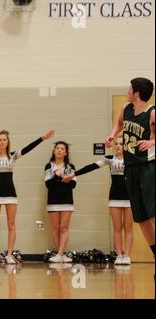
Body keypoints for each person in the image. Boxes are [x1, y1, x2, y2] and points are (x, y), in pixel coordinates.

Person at [0, 129, 55, 264]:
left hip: (11, 194)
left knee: (11, 224)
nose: (2, 142)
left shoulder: (13, 156)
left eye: (4, 139)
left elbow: (28, 148)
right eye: (0, 140)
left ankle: (10, 255)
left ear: (8, 141)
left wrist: (42, 138)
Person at [106, 77, 154, 265]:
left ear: (137, 93)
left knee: (152, 214)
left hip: (148, 167)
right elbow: (118, 124)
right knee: (141, 218)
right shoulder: (126, 109)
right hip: (130, 167)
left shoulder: (151, 113)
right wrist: (112, 135)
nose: (127, 91)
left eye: (130, 89)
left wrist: (152, 141)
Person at [63, 136, 133, 265]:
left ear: (126, 146)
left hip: (130, 198)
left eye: (121, 144)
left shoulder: (132, 159)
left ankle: (127, 255)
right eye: (116, 144)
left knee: (128, 228)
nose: (118, 146)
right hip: (114, 197)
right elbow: (92, 166)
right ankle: (119, 255)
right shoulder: (109, 160)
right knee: (117, 228)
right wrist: (74, 174)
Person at [44, 141, 76, 263]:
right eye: (57, 148)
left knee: (64, 228)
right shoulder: (49, 166)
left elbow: (72, 184)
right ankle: (59, 254)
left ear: (66, 152)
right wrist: (58, 177)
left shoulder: (70, 167)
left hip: (67, 201)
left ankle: (61, 254)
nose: (59, 150)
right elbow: (48, 184)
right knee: (56, 228)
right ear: (54, 151)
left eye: (62, 149)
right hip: (53, 200)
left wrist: (60, 177)